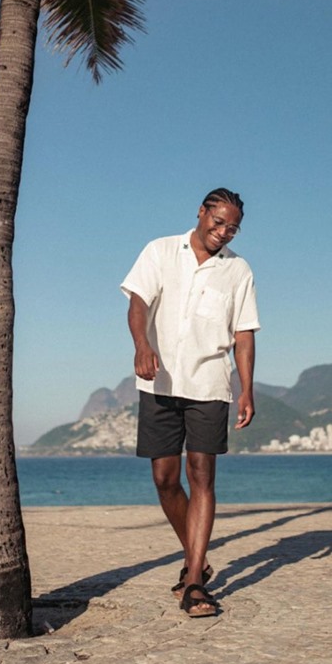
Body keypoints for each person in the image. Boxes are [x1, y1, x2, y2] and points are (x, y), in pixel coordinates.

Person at [121, 187, 259, 617]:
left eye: (232, 229)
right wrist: (142, 345)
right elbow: (139, 302)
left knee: (201, 476)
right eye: (218, 223)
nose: (223, 233)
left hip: (209, 386)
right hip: (159, 382)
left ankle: (195, 580)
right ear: (201, 213)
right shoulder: (161, 251)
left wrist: (247, 389)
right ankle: (196, 555)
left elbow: (244, 333)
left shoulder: (238, 271)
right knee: (165, 478)